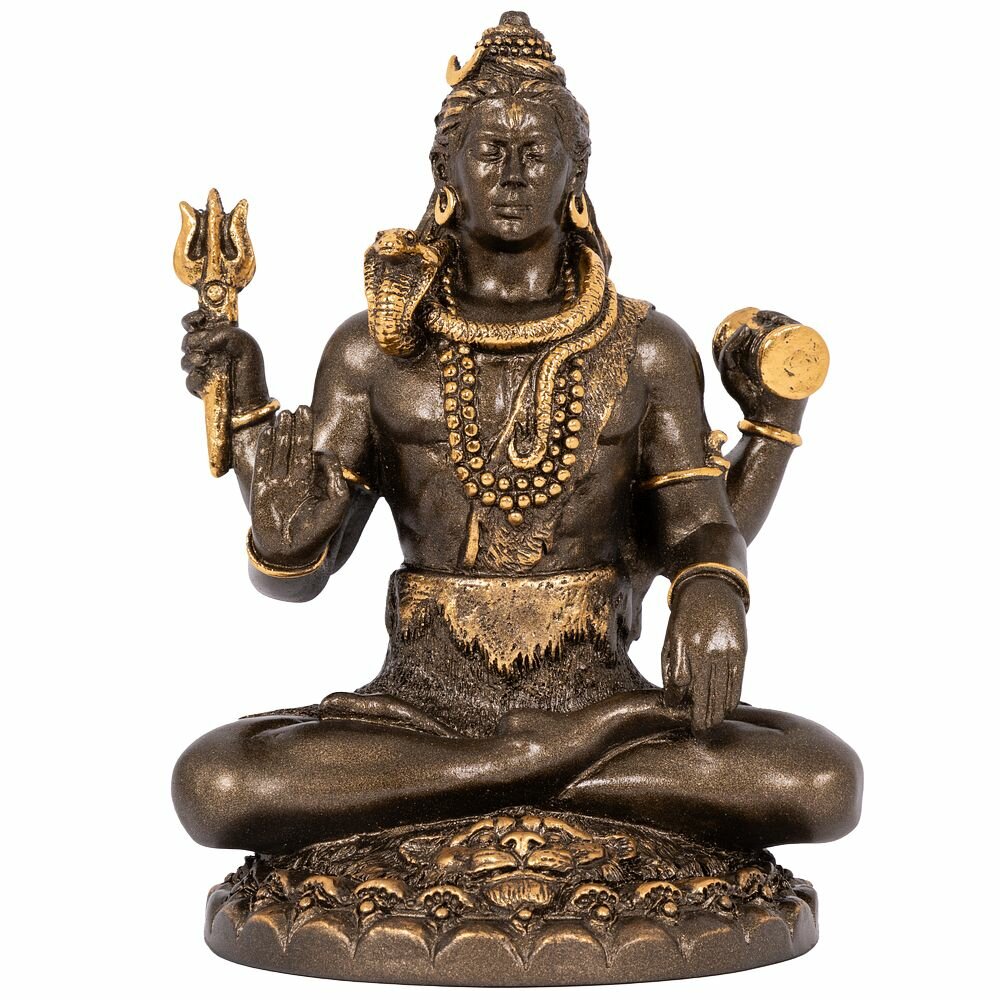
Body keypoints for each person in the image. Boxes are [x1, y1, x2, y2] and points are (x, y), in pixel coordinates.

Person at [173, 12, 860, 857]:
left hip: (601, 695)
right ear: (447, 169)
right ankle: (530, 765)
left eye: (535, 152)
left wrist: (713, 590)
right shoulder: (374, 349)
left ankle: (482, 777)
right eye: (489, 151)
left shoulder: (646, 347)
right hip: (421, 707)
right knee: (217, 782)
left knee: (823, 780)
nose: (510, 175)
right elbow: (298, 583)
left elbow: (695, 523)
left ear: (575, 171)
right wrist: (280, 542)